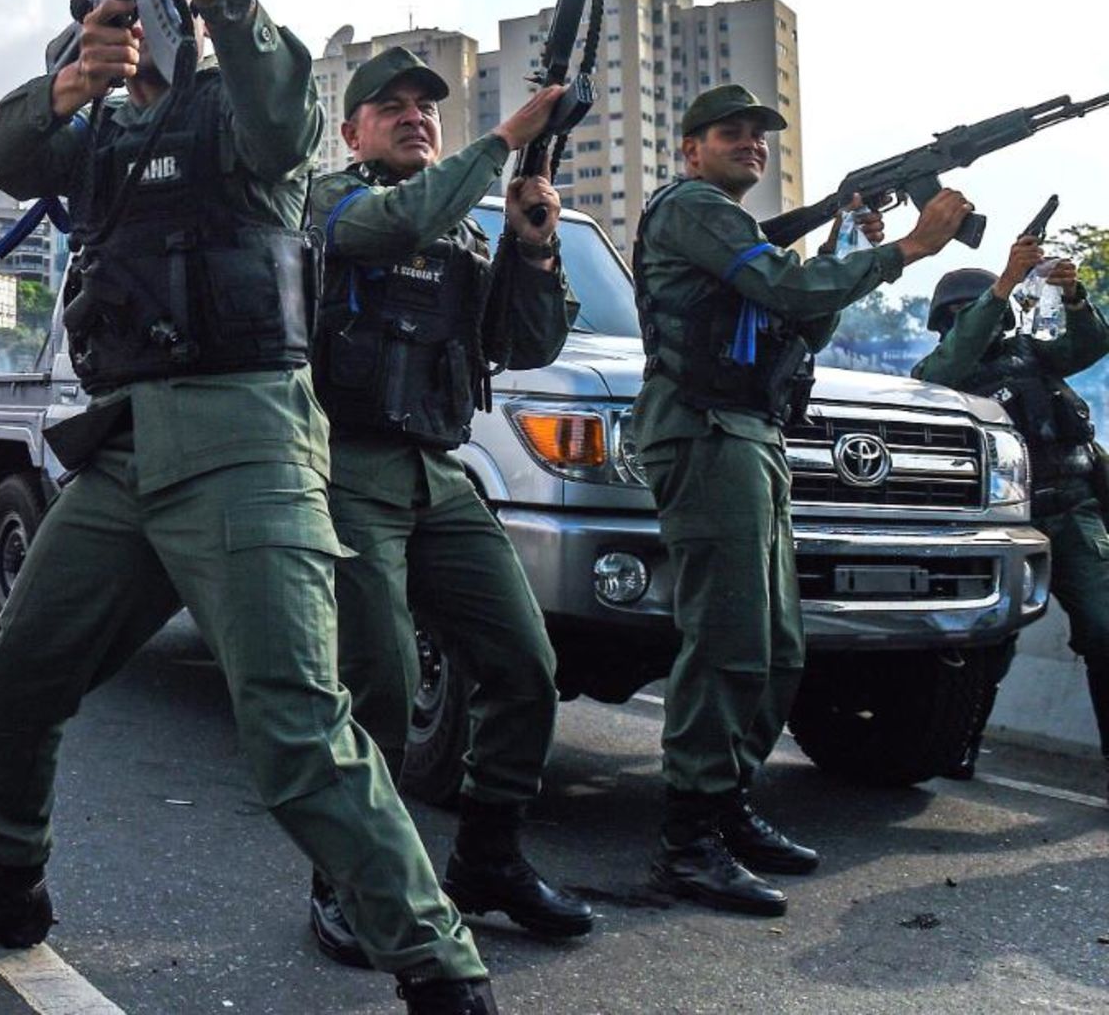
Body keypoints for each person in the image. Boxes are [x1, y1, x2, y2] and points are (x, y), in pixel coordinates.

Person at [0, 0, 499, 1015]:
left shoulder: (242, 111)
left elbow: (284, 119)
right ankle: (6, 885)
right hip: (125, 447)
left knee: (297, 725)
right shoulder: (99, 136)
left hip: (245, 438)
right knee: (14, 684)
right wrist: (68, 83)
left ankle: (441, 969)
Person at [631, 84, 971, 916]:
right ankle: (687, 841)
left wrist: (846, 243)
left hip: (751, 436)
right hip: (706, 434)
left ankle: (725, 807)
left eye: (758, 134)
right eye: (729, 132)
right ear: (691, 149)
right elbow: (787, 290)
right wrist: (911, 251)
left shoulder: (737, 231)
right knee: (728, 639)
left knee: (779, 646)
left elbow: (802, 321)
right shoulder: (692, 208)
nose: (750, 143)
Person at [304, 47, 593, 967]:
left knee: (523, 665)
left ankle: (490, 858)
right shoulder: (327, 203)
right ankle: (351, 881)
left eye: (426, 108)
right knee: (378, 677)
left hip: (439, 470)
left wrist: (536, 242)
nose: (414, 118)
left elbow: (524, 344)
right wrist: (507, 140)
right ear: (351, 132)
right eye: (389, 108)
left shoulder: (465, 231)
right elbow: (388, 227)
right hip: (346, 467)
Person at [914, 237, 1109, 798]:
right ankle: (959, 743)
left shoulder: (1033, 353)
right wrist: (1001, 285)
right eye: (974, 311)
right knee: (984, 640)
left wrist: (1073, 297)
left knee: (1103, 627)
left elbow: (1091, 342)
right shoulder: (939, 370)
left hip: (1072, 510)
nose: (992, 320)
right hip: (1000, 523)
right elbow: (948, 363)